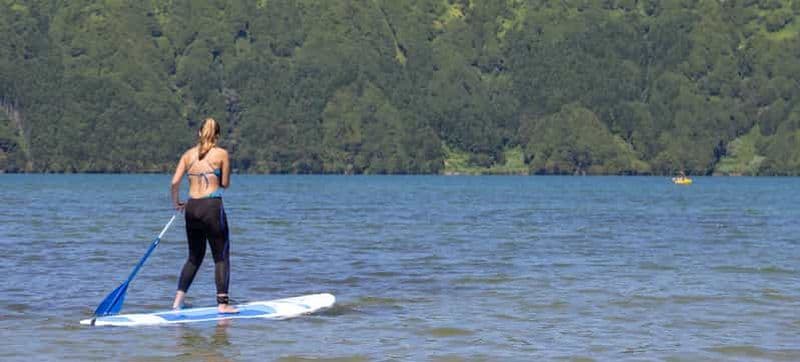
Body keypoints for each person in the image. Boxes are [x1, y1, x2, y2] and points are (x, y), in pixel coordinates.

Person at [169, 118, 238, 313]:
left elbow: (174, 183)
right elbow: (225, 184)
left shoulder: (187, 155)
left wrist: (176, 203)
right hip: (211, 207)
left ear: (199, 133)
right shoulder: (221, 154)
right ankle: (223, 304)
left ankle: (177, 303)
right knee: (221, 256)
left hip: (191, 208)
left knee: (194, 257)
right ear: (217, 135)